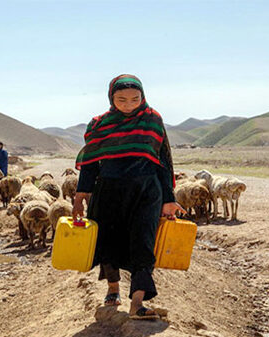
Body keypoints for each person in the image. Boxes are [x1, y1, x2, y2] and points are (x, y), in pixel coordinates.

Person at [72, 74, 185, 320]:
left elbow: (163, 161)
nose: (128, 104)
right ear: (111, 98)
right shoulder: (99, 124)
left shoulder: (153, 120)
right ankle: (113, 287)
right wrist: (81, 195)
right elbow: (91, 163)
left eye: (135, 99)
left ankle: (137, 303)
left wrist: (168, 197)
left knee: (143, 243)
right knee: (108, 241)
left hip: (146, 192)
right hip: (108, 192)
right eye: (121, 99)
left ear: (143, 97)